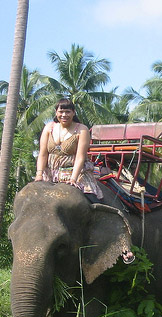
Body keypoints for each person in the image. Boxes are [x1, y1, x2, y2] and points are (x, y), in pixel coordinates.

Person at [35, 98, 134, 263]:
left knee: (96, 204)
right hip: (50, 174)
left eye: (68, 111)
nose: (64, 114)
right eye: (61, 111)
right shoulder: (49, 128)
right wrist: (39, 174)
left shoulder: (81, 130)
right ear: (56, 113)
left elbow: (80, 156)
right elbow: (43, 154)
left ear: (73, 113)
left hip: (77, 173)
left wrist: (74, 179)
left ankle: (121, 245)